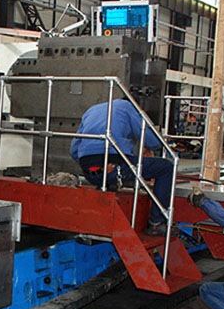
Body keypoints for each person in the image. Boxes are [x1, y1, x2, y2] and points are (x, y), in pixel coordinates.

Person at [70, 99, 174, 235]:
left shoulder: (92, 109)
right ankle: (157, 222)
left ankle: (99, 216)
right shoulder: (127, 107)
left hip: (90, 171)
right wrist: (158, 141)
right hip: (115, 167)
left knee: (109, 175)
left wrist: (92, 165)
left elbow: (74, 149)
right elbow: (152, 141)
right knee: (166, 168)